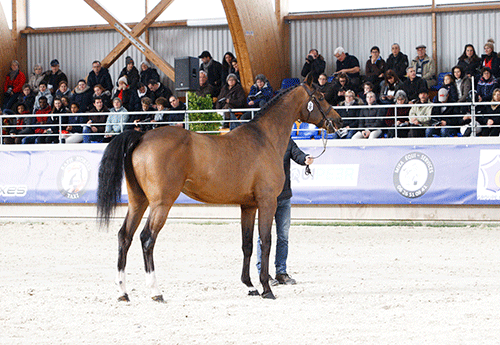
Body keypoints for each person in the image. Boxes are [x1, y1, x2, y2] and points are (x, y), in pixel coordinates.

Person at [256, 139, 314, 286]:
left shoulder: (287, 141)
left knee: (283, 236)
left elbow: (297, 154)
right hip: (267, 198)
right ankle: (263, 272)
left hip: (284, 196)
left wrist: (305, 158)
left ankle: (281, 272)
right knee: (263, 236)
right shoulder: (262, 142)